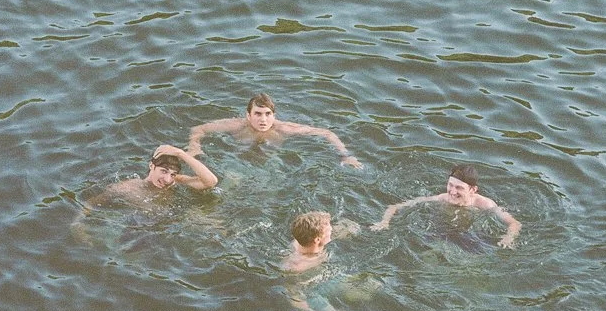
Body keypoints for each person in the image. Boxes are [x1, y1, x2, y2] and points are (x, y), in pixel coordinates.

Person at [187, 93, 364, 168]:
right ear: (248, 115)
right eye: (257, 114)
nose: (263, 120)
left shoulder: (284, 128)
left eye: (267, 114)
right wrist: (194, 145)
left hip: (270, 163)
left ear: (274, 114)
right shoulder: (237, 125)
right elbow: (199, 129)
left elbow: (327, 133)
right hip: (238, 161)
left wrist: (345, 155)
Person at [371, 163, 520, 248]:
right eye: (450, 185)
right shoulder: (441, 198)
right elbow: (396, 206)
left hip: (472, 235)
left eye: (459, 188)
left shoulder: (485, 204)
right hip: (441, 231)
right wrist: (384, 222)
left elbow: (514, 223)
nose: (452, 192)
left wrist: (508, 237)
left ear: (473, 190)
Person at [84, 145, 218, 209]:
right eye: (164, 171)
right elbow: (90, 204)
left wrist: (181, 154)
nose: (167, 180)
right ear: (151, 166)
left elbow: (211, 181)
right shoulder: (129, 186)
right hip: (140, 226)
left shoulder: (176, 181)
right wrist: (78, 226)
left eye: (173, 174)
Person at [280, 210, 360, 275]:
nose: (331, 229)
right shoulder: (297, 266)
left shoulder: (302, 238)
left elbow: (349, 227)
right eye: (329, 230)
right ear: (317, 240)